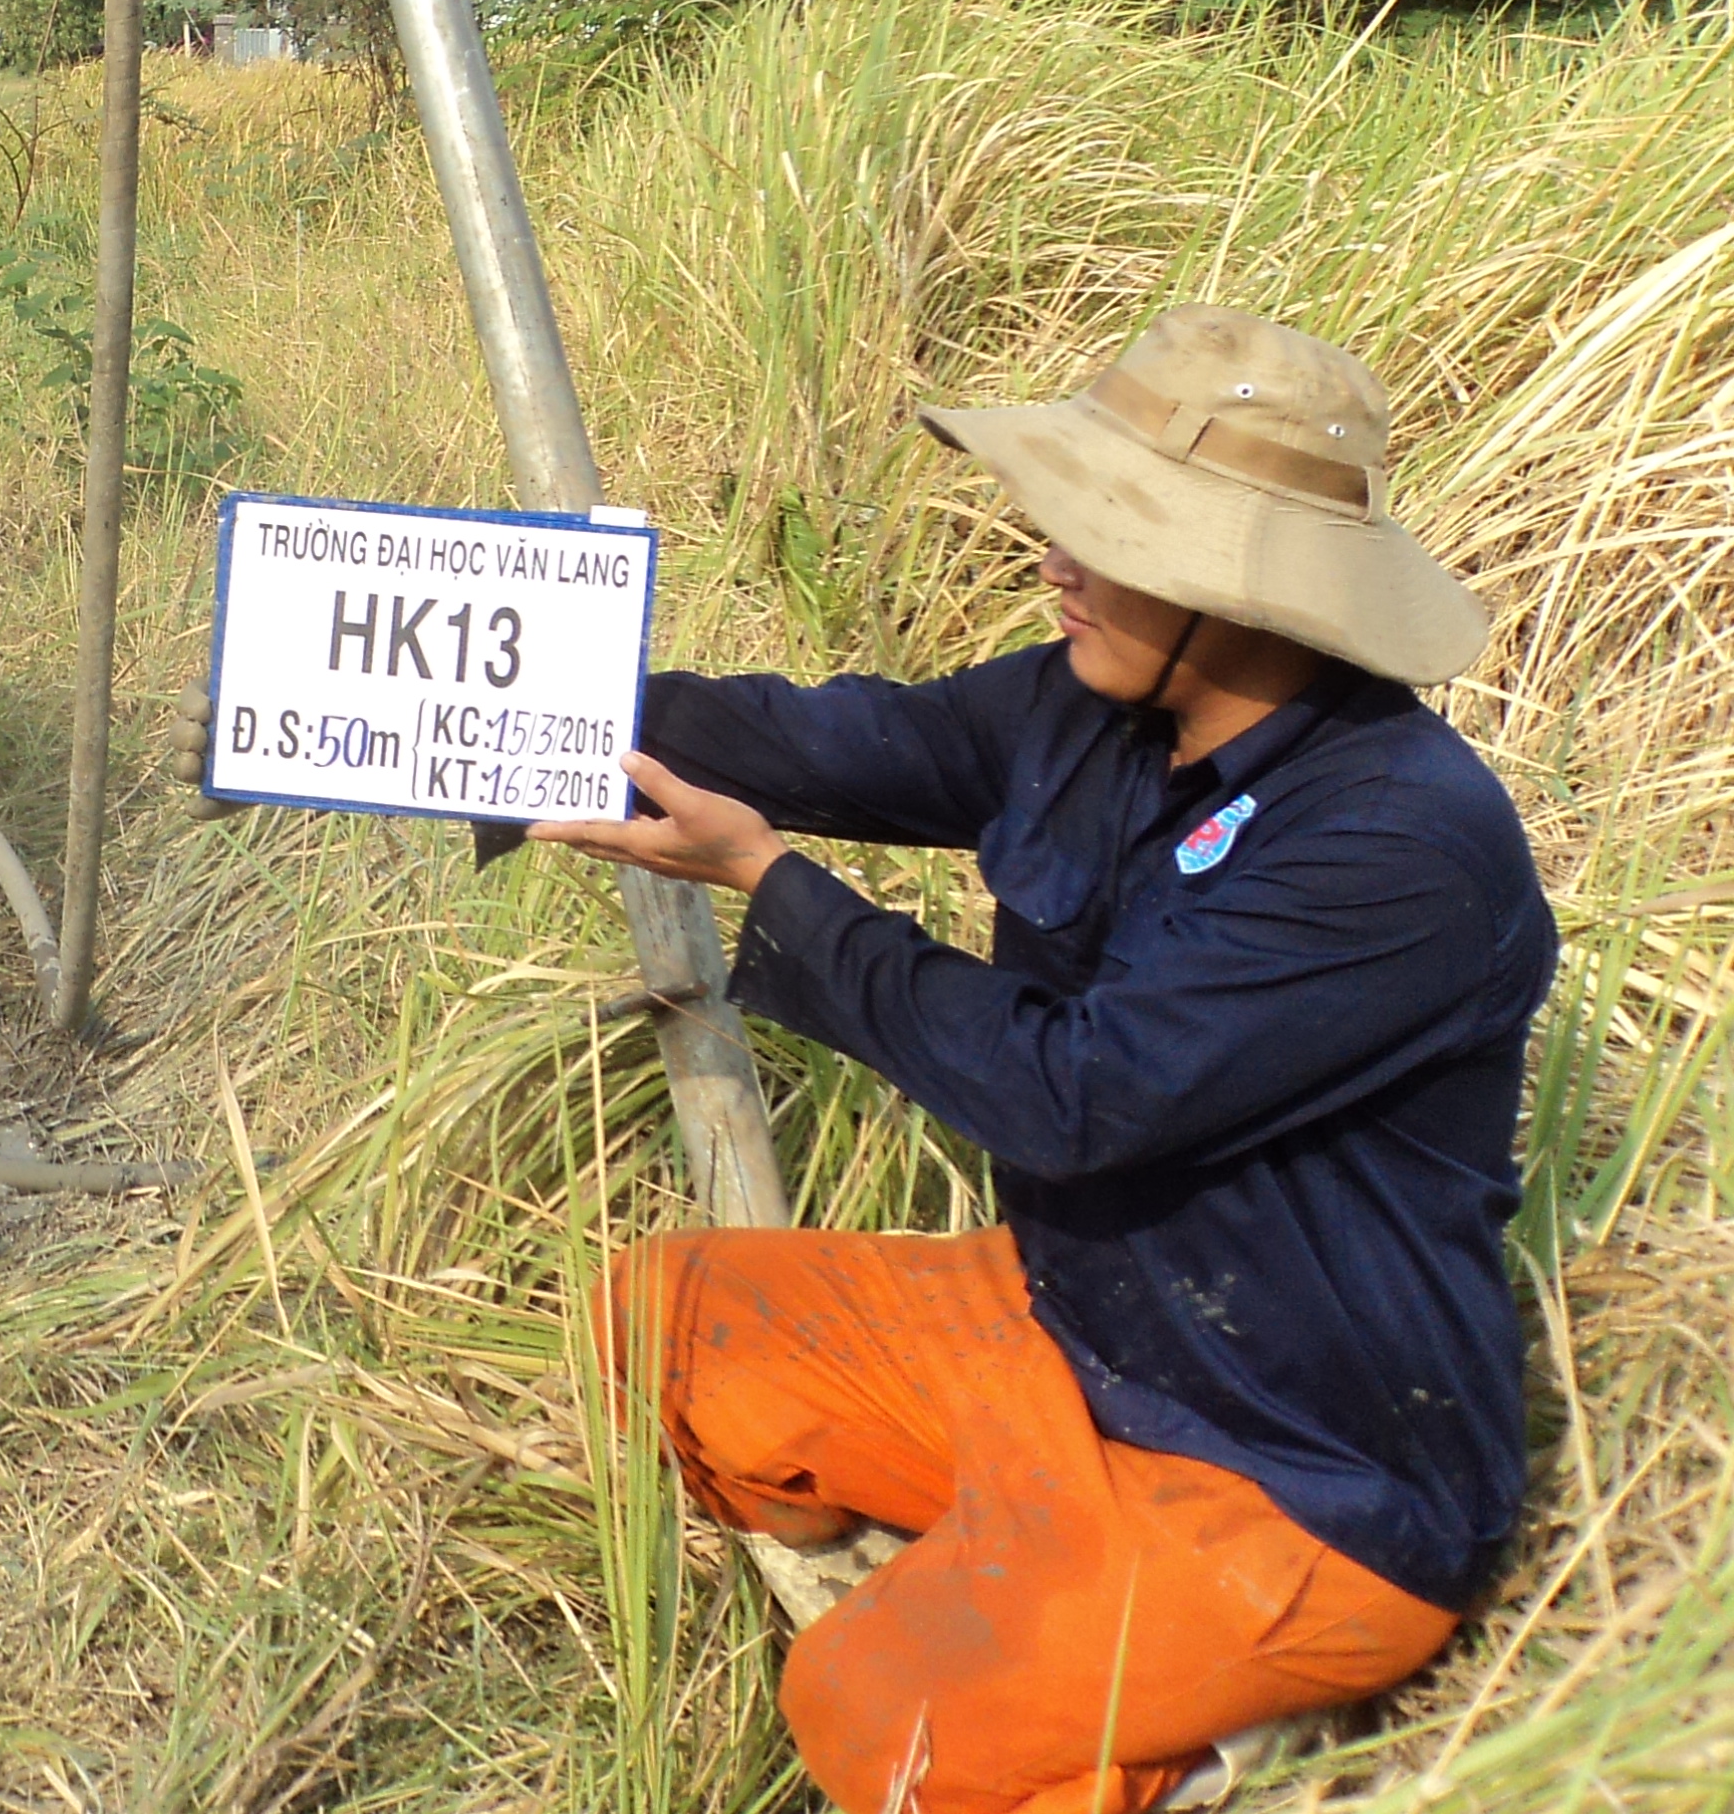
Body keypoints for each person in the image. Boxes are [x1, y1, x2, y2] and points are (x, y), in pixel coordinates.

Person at [534, 305, 1552, 1814]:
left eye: (1107, 533)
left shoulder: (1400, 845)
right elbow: (819, 744)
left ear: (1241, 589)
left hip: (1296, 1474)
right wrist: (465, 723)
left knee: (873, 1715)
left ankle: (1173, 1724)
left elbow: (1071, 1093)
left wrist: (772, 886)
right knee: (664, 1323)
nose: (1051, 558)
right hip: (1081, 1334)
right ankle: (1043, 1612)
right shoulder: (1088, 711)